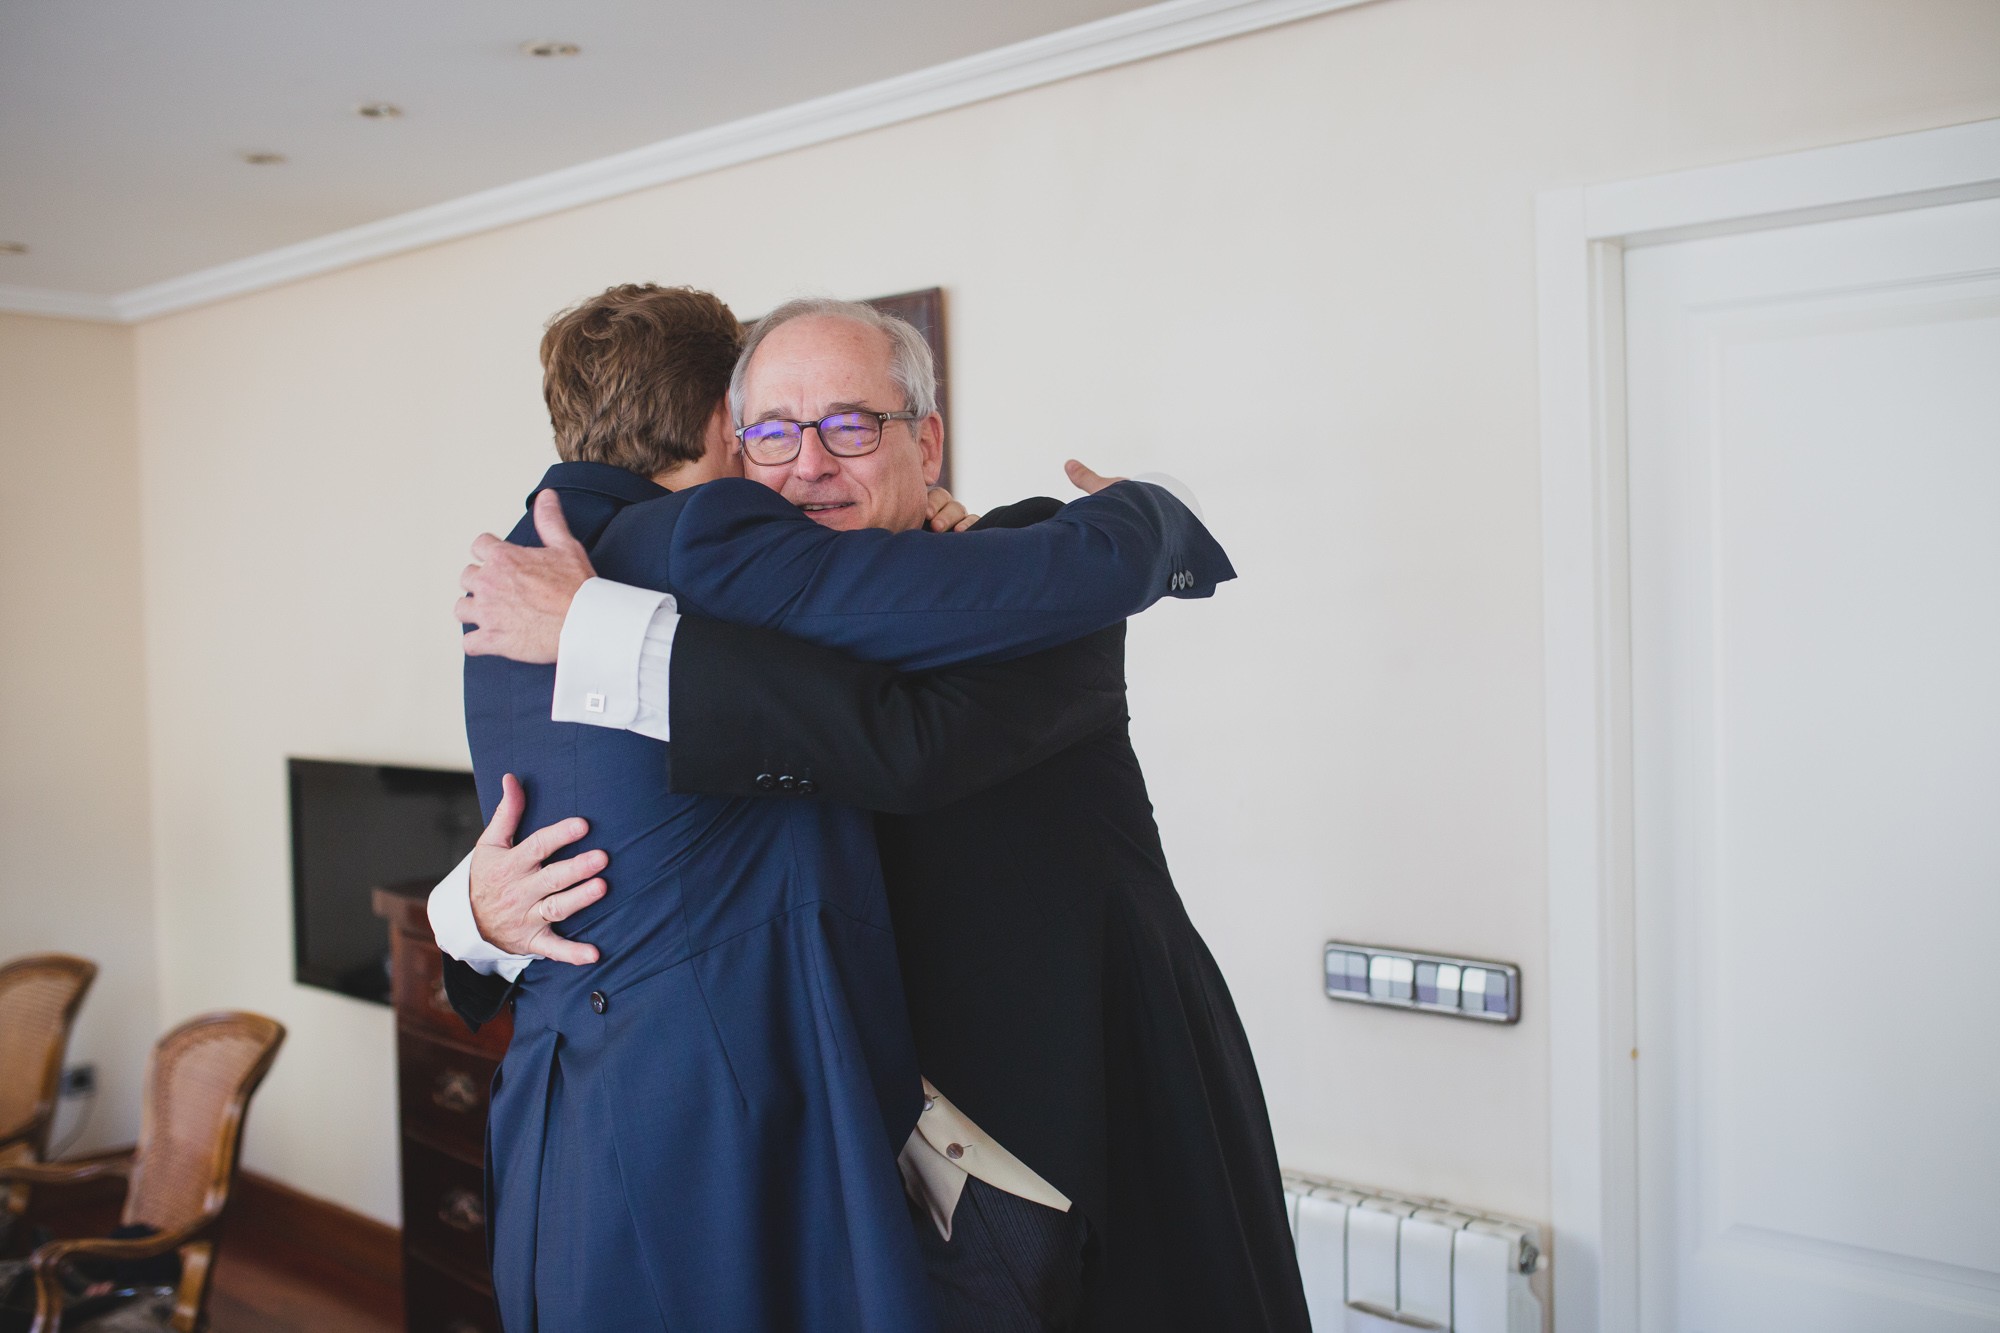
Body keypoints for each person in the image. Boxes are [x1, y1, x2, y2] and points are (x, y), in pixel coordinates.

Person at [440, 296, 1307, 1330]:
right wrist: (471, 910)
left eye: (850, 426)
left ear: (925, 443)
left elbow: (901, 747)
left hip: (1052, 1138)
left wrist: (597, 627)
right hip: (841, 1178)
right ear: (731, 446)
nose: (808, 464)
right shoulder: (733, 601)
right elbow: (620, 819)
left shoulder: (1018, 577)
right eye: (772, 433)